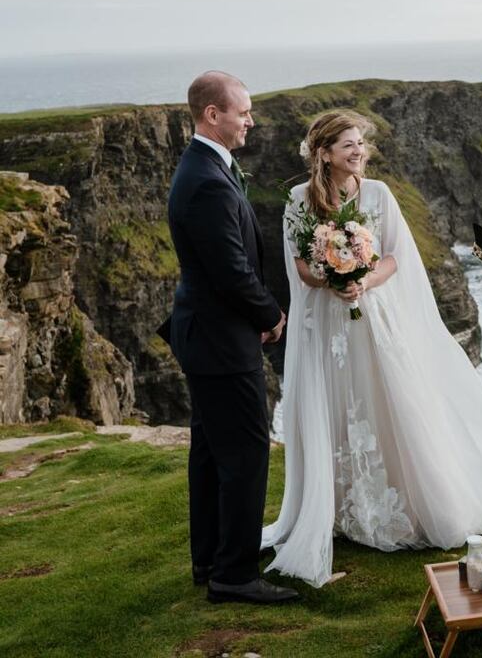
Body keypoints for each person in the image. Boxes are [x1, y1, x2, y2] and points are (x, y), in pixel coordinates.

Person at [262, 109, 482, 587]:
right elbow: (300, 268)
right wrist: (333, 279)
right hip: (328, 322)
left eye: (361, 144)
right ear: (324, 154)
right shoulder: (298, 201)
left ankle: (399, 503)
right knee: (336, 403)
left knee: (383, 400)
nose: (359, 152)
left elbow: (395, 257)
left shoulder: (379, 194)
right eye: (348, 145)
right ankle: (339, 508)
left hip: (372, 315)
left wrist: (361, 281)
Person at [165, 71, 298, 605]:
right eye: (243, 111)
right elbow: (231, 270)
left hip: (207, 335)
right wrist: (271, 314)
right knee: (244, 453)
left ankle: (211, 558)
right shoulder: (204, 181)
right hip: (222, 342)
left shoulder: (205, 168)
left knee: (211, 452)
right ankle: (235, 575)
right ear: (212, 114)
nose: (251, 120)